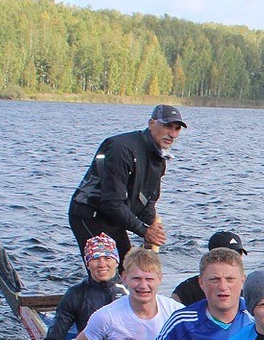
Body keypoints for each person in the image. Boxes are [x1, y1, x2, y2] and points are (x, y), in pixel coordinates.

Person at [67, 105, 184, 258]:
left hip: (115, 219)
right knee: (104, 268)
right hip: (89, 214)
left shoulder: (158, 159)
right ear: (151, 124)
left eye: (177, 129)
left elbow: (148, 201)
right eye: (168, 126)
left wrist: (151, 229)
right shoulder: (121, 148)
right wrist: (144, 231)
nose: (173, 134)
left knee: (126, 269)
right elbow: (112, 202)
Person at [64, 248, 181, 340]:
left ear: (159, 279)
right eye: (136, 279)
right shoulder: (107, 316)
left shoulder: (176, 312)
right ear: (124, 278)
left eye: (149, 279)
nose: (143, 286)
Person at [23, 234, 122, 340]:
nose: (102, 264)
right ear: (87, 264)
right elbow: (55, 336)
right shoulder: (76, 295)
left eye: (107, 258)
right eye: (95, 259)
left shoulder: (133, 290)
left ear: (116, 261)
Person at [173, 231, 247, 304]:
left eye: (238, 253)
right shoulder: (187, 290)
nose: (223, 287)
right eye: (228, 255)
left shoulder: (250, 287)